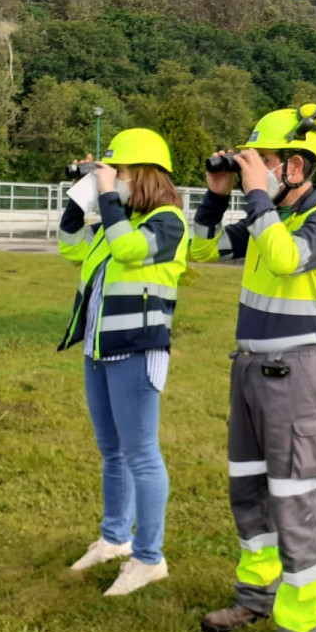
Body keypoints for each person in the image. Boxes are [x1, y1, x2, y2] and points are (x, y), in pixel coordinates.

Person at [189, 102, 316, 632]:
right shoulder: (267, 219)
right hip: (250, 372)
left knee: (296, 502)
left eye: (265, 160)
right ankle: (254, 598)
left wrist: (256, 193)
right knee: (250, 494)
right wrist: (216, 195)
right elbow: (201, 249)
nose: (253, 170)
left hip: (299, 375)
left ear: (296, 166)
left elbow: (285, 261)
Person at [57, 128, 189, 597]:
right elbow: (70, 245)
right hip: (99, 348)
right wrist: (80, 196)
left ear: (146, 175)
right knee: (112, 450)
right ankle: (114, 538)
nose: (115, 181)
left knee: (142, 455)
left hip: (136, 348)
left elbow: (129, 250)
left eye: (122, 172)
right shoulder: (118, 223)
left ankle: (149, 558)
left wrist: (109, 197)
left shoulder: (168, 222)